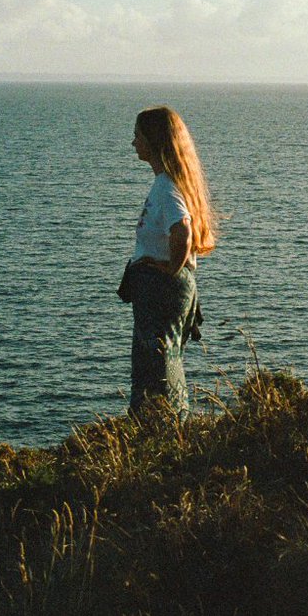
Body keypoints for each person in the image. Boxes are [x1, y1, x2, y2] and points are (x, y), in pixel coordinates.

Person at [119, 105, 217, 415]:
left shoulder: (165, 187)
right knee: (163, 363)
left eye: (137, 136)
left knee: (154, 367)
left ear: (153, 140)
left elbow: (182, 230)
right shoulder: (169, 183)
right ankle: (169, 428)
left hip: (160, 289)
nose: (133, 142)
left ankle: (159, 432)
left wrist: (168, 270)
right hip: (165, 287)